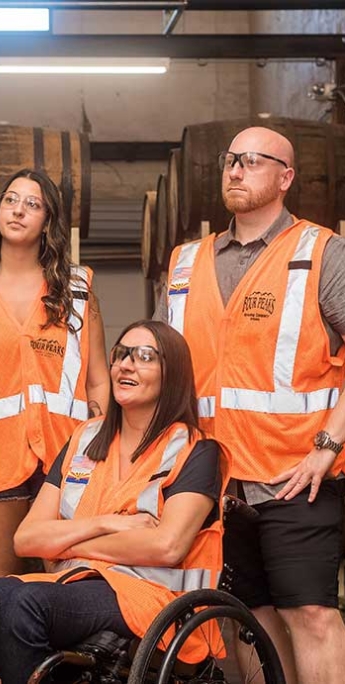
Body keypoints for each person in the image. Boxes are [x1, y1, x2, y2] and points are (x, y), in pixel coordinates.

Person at [0, 320, 228, 684]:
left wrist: (67, 541)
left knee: (27, 604)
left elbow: (166, 546)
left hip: (147, 598)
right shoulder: (85, 438)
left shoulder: (196, 450)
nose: (126, 365)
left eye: (145, 356)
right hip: (72, 585)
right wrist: (107, 524)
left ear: (173, 374)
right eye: (121, 355)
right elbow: (26, 540)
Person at [158, 125, 345, 684]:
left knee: (309, 614)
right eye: (230, 160)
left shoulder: (321, 252)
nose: (235, 171)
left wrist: (327, 446)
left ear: (285, 178)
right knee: (246, 622)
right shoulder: (185, 262)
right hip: (215, 484)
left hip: (297, 475)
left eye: (253, 161)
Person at [0, 167, 110, 577]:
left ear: (48, 221)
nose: (18, 210)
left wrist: (100, 457)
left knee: (69, 595)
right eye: (11, 200)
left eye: (33, 204)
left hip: (67, 465)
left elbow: (99, 379)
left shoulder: (78, 290)